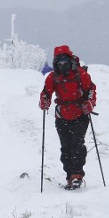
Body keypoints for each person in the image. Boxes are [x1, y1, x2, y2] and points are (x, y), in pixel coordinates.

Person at [39, 45, 97, 189]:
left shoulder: (81, 75)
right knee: (66, 148)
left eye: (64, 62)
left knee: (77, 145)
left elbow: (91, 90)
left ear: (70, 60)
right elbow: (46, 92)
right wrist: (44, 101)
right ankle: (70, 177)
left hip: (80, 115)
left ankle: (77, 175)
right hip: (62, 116)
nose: (62, 65)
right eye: (59, 62)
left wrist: (89, 104)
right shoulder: (53, 77)